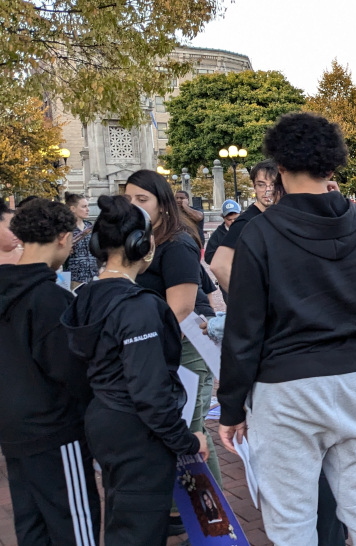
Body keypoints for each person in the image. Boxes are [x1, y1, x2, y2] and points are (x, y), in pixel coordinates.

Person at [217, 112, 356, 545]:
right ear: (331, 167)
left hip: (284, 388)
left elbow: (243, 329)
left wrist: (232, 408)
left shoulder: (261, 232)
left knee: (291, 516)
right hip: (349, 377)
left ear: (279, 169)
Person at [62, 195, 208, 545]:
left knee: (121, 515)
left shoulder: (84, 296)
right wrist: (187, 441)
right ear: (142, 245)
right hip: (136, 432)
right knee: (139, 529)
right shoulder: (138, 307)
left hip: (103, 422)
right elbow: (150, 392)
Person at [0, 198, 100, 546]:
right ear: (61, 237)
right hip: (55, 429)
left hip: (13, 430)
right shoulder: (48, 299)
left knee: (32, 526)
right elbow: (71, 371)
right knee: (76, 526)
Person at [124, 171, 222, 499]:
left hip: (184, 348)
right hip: (155, 346)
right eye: (128, 200)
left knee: (191, 433)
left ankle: (216, 522)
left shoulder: (177, 242)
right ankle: (181, 509)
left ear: (162, 204)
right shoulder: (137, 240)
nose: (134, 206)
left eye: (142, 199)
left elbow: (179, 310)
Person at [209, 160, 277, 291]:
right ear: (254, 186)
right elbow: (218, 265)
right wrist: (246, 299)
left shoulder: (276, 216)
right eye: (261, 185)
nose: (267, 190)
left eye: (273, 184)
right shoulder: (246, 222)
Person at [63, 192, 98, 287]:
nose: (88, 209)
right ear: (73, 209)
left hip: (93, 277)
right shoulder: (66, 229)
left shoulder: (90, 226)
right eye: (84, 207)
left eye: (88, 206)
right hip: (74, 279)